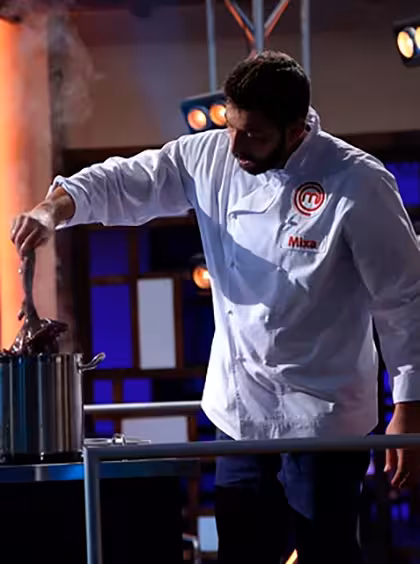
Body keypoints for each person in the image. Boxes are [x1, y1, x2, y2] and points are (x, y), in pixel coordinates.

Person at [10, 51, 420, 563]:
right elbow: (126, 181)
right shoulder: (210, 157)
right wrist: (52, 209)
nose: (237, 146)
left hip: (324, 419)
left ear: (297, 130)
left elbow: (405, 299)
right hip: (240, 412)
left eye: (255, 135)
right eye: (232, 127)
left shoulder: (358, 181)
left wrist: (410, 407)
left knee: (327, 553)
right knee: (242, 552)